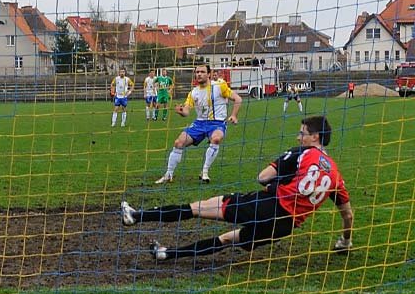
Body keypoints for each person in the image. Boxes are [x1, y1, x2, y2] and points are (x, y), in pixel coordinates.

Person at [122, 116, 354, 260]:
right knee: (226, 239)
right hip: (285, 226)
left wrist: (281, 179)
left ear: (314, 137)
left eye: (302, 133)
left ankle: (136, 216)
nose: (298, 136)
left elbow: (262, 177)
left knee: (197, 208)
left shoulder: (302, 152)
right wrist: (345, 240)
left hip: (266, 206)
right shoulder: (336, 174)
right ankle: (166, 254)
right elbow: (348, 214)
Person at [155, 64, 242, 185]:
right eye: (197, 72)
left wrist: (233, 115)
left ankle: (204, 171)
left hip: (217, 123)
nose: (199, 74)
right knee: (178, 142)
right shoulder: (193, 92)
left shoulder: (219, 86)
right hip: (199, 123)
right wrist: (181, 111)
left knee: (216, 138)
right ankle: (168, 174)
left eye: (202, 72)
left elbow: (238, 99)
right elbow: (186, 111)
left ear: (209, 74)